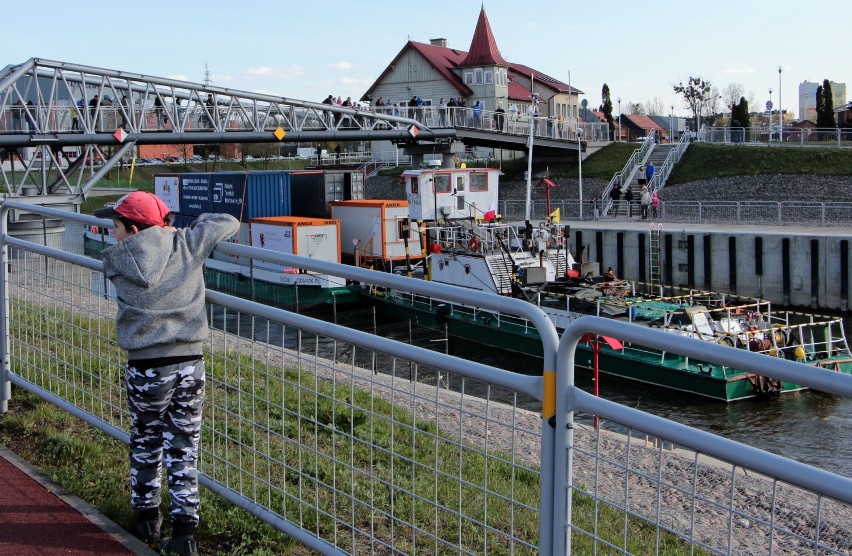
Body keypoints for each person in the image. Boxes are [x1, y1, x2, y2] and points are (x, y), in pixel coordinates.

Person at [94, 192, 240, 556]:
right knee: (184, 444)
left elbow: (137, 252)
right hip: (191, 361)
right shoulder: (187, 243)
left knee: (145, 439)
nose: (113, 235)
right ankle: (184, 533)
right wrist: (177, 228)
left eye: (116, 227)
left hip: (146, 366)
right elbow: (227, 221)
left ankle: (146, 519)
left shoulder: (115, 262)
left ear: (131, 228)